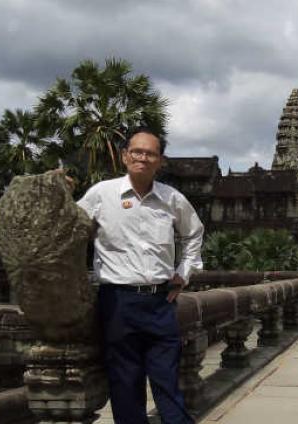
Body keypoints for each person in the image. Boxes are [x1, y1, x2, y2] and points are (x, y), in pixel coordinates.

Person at [76, 127, 203, 424]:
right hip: (117, 302)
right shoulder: (101, 194)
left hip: (160, 301)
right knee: (125, 385)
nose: (143, 158)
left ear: (160, 161)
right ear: (125, 156)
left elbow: (194, 233)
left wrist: (184, 272)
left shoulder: (171, 198)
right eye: (137, 152)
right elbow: (70, 227)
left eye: (150, 153)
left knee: (167, 382)